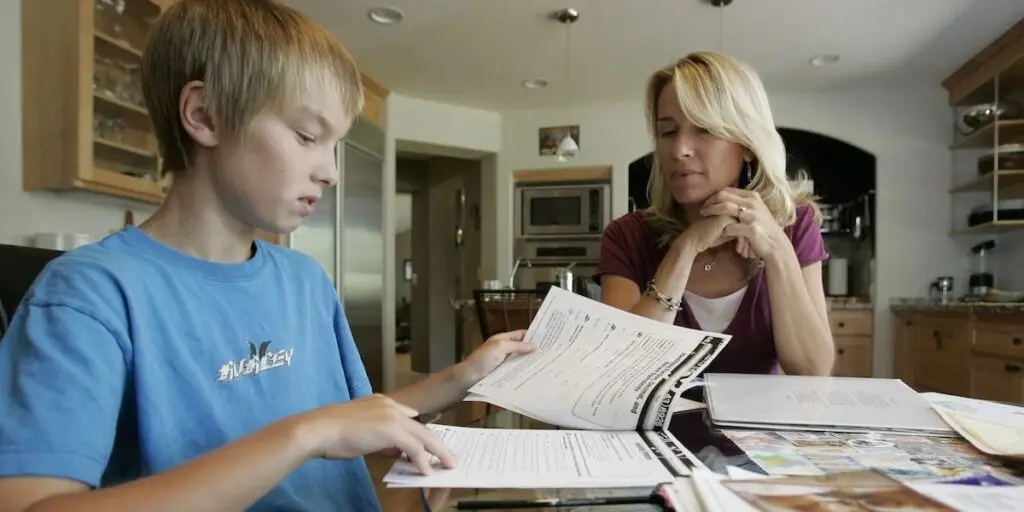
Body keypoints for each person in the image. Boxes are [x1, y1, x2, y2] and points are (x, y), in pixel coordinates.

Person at [0, 1, 534, 511]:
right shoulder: (89, 295)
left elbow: (356, 419)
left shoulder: (304, 280)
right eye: (307, 135)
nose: (331, 172)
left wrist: (464, 375)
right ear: (205, 115)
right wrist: (307, 434)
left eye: (335, 145)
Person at [595, 51, 835, 380]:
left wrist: (776, 249)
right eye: (668, 132)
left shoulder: (795, 226)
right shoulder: (627, 237)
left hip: (759, 416)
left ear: (747, 144)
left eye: (704, 129)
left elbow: (812, 371)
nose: (680, 150)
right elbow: (623, 371)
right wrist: (685, 248)